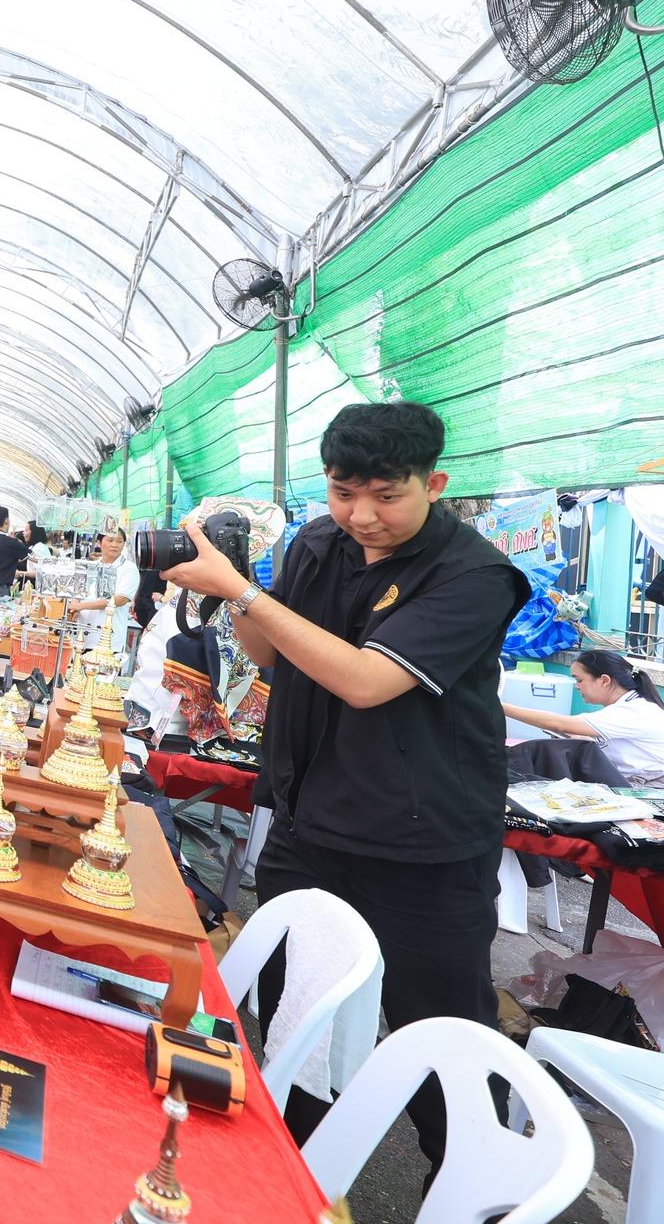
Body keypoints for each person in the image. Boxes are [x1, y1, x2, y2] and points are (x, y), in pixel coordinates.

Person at [157, 399, 530, 1179]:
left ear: (435, 482)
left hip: (422, 848)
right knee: (303, 1029)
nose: (362, 514)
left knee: (444, 1045)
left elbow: (365, 681)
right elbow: (270, 654)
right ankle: (293, 1179)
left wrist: (250, 594)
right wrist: (234, 588)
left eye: (386, 494)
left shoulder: (475, 576)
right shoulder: (320, 543)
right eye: (341, 490)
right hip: (310, 826)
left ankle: (475, 1187)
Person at [504, 649, 664, 786]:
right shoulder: (628, 707)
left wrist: (501, 708)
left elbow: (560, 724)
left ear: (604, 680)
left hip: (644, 787)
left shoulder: (634, 711)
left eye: (579, 680)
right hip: (627, 780)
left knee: (548, 755)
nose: (576, 686)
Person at [70, 526, 138, 651]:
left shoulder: (129, 568)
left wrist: (82, 606)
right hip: (82, 635)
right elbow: (79, 593)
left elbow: (120, 599)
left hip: (108, 640)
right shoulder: (92, 566)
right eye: (110, 540)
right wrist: (76, 604)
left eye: (119, 541)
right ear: (99, 543)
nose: (115, 545)